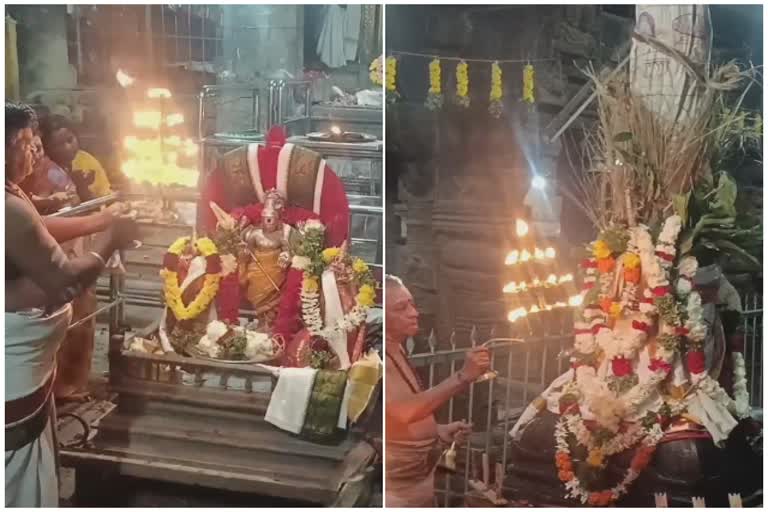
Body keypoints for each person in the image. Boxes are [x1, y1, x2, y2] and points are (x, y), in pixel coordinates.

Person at [5, 102, 138, 507]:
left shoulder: (10, 195)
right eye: (27, 143)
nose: (36, 152)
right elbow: (65, 283)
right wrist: (109, 240)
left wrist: (99, 220)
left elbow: (34, 229)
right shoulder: (6, 206)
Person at [385, 275, 491, 507]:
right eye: (401, 308)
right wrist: (462, 377)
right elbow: (402, 411)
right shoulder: (379, 355)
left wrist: (437, 431)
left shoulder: (397, 348)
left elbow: (396, 416)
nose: (414, 313)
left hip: (419, 489)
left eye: (412, 304)